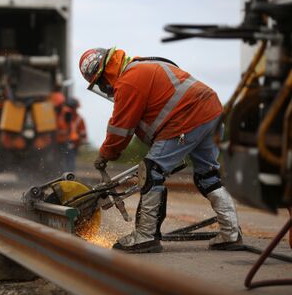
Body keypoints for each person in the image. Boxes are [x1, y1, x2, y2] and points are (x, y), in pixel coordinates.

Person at [79, 47, 242, 253]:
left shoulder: (129, 80)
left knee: (151, 171)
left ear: (104, 74)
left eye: (101, 84)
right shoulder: (143, 67)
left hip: (188, 116)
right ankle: (231, 233)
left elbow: (120, 127)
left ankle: (145, 237)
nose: (105, 88)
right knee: (208, 176)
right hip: (211, 112)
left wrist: (106, 154)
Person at [64, 98, 88, 172]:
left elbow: (83, 135)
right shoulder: (61, 116)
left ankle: (68, 178)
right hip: (61, 143)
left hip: (72, 145)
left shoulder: (79, 119)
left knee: (69, 165)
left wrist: (78, 144)